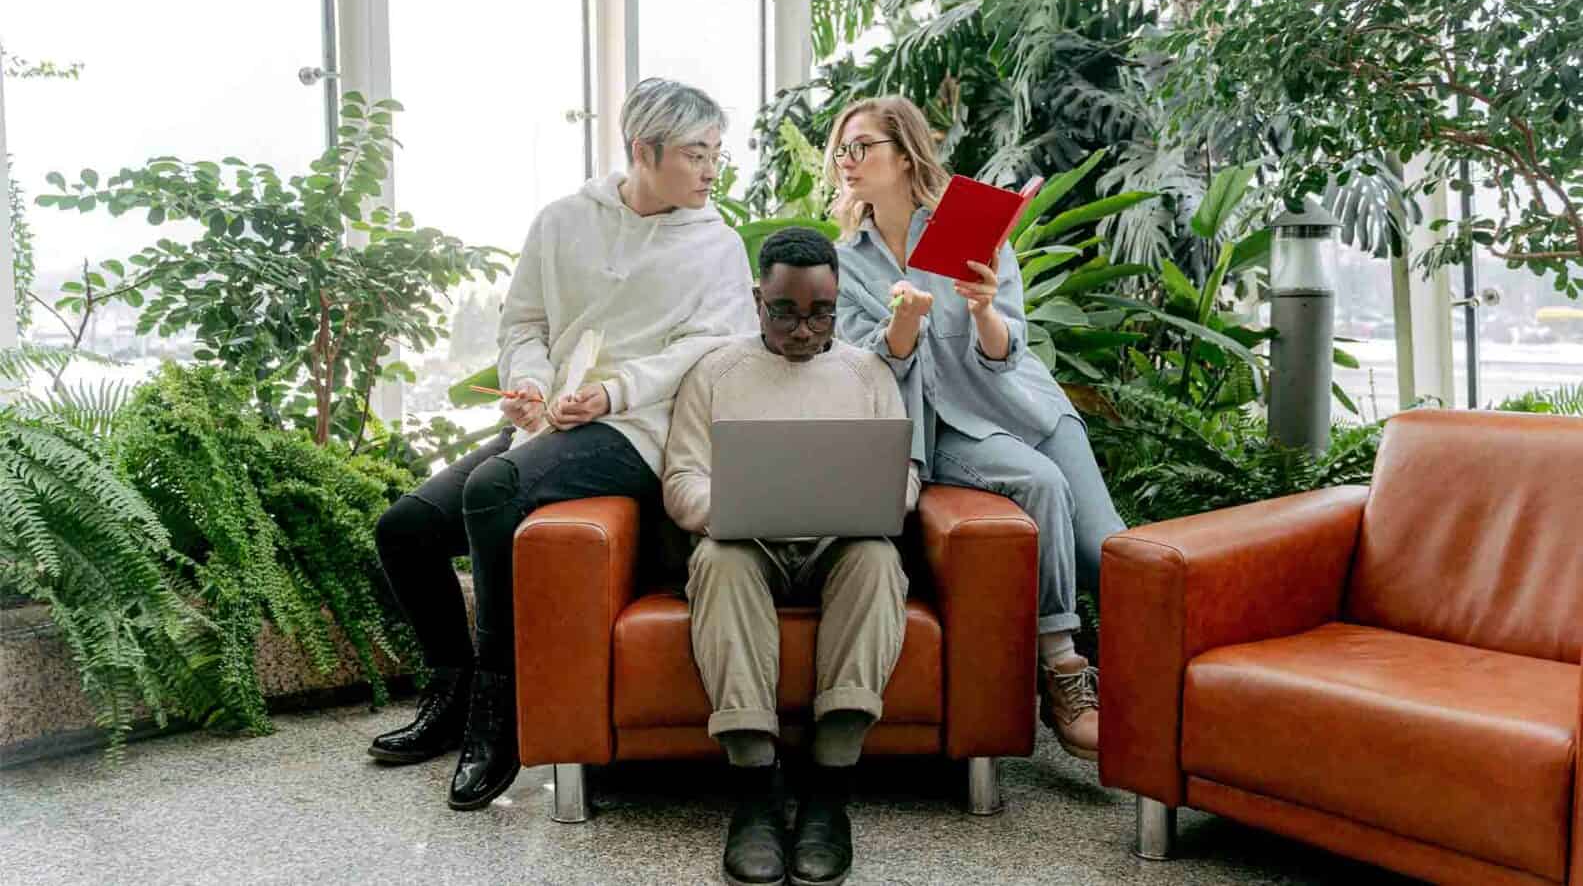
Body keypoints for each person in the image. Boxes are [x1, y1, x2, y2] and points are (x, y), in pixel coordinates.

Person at [367, 78, 757, 811]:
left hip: (641, 431)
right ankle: (450, 697)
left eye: (716, 154)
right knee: (406, 528)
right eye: (696, 154)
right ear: (642, 151)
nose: (712, 170)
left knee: (495, 490)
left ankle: (503, 709)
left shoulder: (717, 245)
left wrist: (614, 393)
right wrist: (532, 387)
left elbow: (712, 347)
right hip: (550, 424)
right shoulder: (562, 221)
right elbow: (524, 325)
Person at [827, 96, 1125, 762]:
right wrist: (901, 326)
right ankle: (1063, 671)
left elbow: (1005, 349)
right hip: (947, 426)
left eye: (862, 147)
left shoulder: (967, 227)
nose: (847, 163)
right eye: (841, 151)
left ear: (904, 156)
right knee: (1039, 485)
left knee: (1108, 549)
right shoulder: (845, 264)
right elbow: (867, 368)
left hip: (1025, 406)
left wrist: (985, 308)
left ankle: (1160, 694)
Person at [664, 227, 919, 886]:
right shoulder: (715, 373)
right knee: (719, 561)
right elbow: (682, 479)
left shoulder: (866, 373)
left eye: (820, 313)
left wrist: (878, 497)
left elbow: (906, 476)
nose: (804, 330)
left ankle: (829, 785)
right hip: (746, 545)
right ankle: (753, 786)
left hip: (838, 545)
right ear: (757, 300)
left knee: (875, 559)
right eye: (785, 312)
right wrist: (731, 507)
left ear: (837, 303)